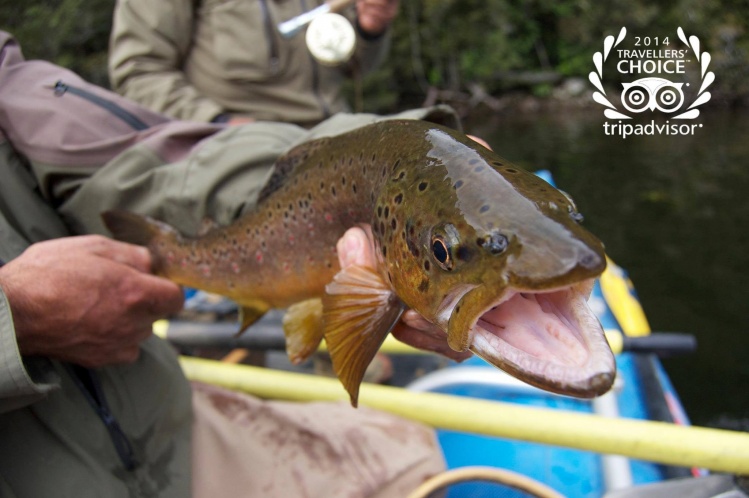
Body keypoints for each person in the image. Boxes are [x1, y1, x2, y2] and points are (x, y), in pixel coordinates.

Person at [0, 29, 469, 497]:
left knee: (416, 458)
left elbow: (141, 156)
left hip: (165, 425)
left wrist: (421, 153)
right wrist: (14, 318)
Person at [108, 0, 400, 127]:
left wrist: (369, 28)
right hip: (239, 148)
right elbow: (138, 73)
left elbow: (355, 66)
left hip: (336, 132)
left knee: (431, 134)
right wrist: (218, 123)